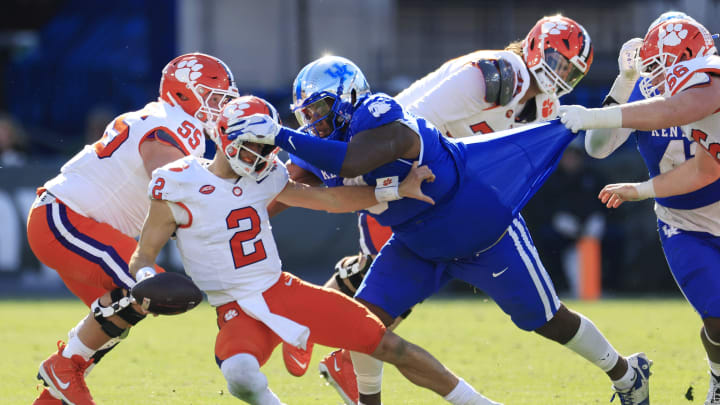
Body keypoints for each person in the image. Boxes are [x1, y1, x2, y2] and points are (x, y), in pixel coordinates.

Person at [227, 26, 651, 405]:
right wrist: (233, 212)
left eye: (320, 112)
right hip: (416, 230)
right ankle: (344, 362)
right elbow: (319, 183)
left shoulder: (387, 115)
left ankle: (626, 374)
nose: (314, 124)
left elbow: (381, 141)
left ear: (349, 100)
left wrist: (624, 82)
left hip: (476, 220)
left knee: (547, 319)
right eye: (308, 117)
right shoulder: (497, 73)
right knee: (363, 323)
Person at [128, 94, 501, 405]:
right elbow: (143, 255)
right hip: (234, 308)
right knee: (240, 376)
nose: (260, 156)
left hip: (282, 292)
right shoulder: (178, 183)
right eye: (252, 146)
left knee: (386, 344)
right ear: (224, 137)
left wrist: (394, 190)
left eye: (265, 147)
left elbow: (329, 199)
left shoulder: (265, 175)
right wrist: (145, 281)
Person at [27, 52, 239, 405]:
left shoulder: (170, 121)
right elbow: (167, 173)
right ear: (184, 93)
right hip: (66, 217)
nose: (220, 108)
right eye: (213, 98)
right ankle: (64, 367)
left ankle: (53, 394)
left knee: (131, 304)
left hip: (73, 220)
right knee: (157, 289)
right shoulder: (172, 123)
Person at [564, 12, 720, 404]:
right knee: (716, 312)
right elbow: (597, 148)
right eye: (651, 66)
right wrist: (626, 80)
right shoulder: (645, 84)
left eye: (660, 64)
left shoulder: (709, 80)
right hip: (682, 221)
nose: (657, 75)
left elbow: (673, 117)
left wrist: (592, 116)